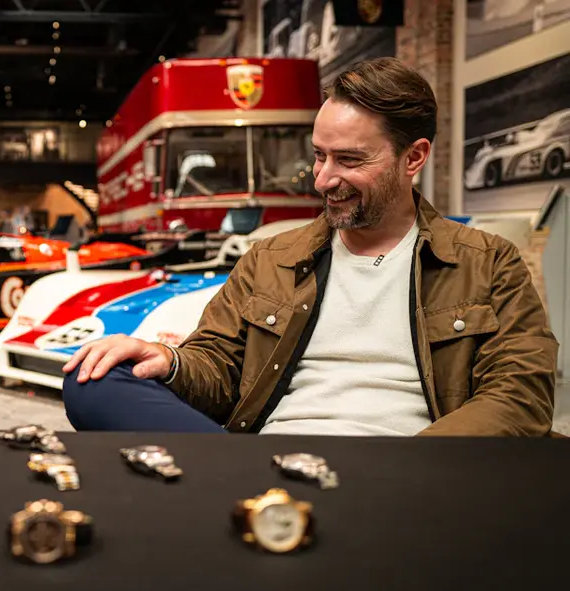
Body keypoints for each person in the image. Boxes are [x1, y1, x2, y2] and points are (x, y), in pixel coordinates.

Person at [62, 57, 558, 437]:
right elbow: (217, 368)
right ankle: (245, 482)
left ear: (413, 158)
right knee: (94, 378)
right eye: (319, 156)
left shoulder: (487, 262)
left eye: (349, 160)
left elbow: (519, 395)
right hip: (272, 458)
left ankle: (236, 488)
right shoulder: (271, 258)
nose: (323, 179)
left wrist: (413, 466)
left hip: (408, 469)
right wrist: (168, 361)